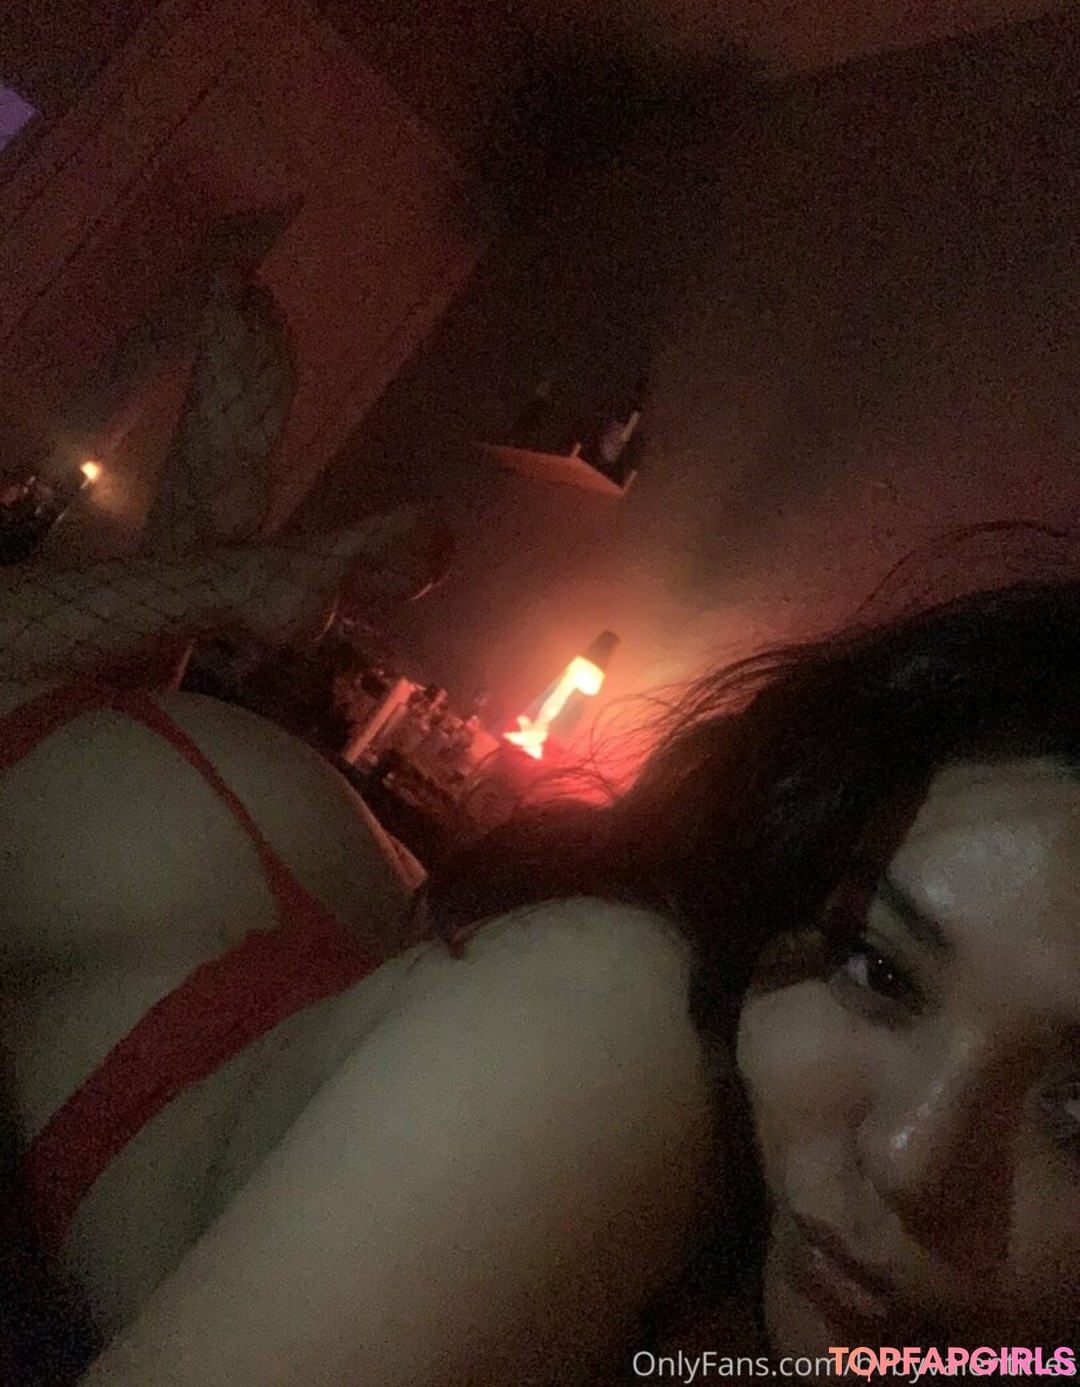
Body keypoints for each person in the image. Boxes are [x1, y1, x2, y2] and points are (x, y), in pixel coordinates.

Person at [1, 573, 1078, 1384]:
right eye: (879, 969)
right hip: (176, 850)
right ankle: (223, 575)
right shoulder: (613, 1047)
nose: (913, 1157)